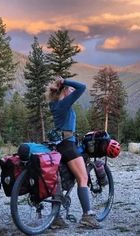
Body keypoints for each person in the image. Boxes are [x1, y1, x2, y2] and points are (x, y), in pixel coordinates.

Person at [46, 76, 101, 229]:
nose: (71, 91)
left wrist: (63, 85)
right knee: (83, 177)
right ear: (64, 91)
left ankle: (55, 218)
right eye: (69, 90)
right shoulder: (64, 103)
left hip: (57, 146)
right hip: (67, 146)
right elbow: (82, 87)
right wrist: (66, 82)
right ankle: (87, 216)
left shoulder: (54, 104)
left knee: (60, 179)